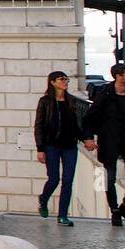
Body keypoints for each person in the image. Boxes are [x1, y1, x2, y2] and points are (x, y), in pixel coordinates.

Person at [84, 63, 125, 226]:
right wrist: (88, 137)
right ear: (119, 76)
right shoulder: (105, 93)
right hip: (110, 142)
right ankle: (115, 211)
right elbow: (90, 116)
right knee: (110, 179)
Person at [33, 72, 87, 227]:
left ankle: (62, 215)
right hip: (51, 146)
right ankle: (43, 199)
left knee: (68, 181)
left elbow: (76, 126)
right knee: (54, 179)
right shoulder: (45, 102)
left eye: (66, 79)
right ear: (52, 82)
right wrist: (40, 148)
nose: (65, 82)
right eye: (62, 79)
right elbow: (39, 125)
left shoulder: (71, 101)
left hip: (70, 145)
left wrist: (85, 138)